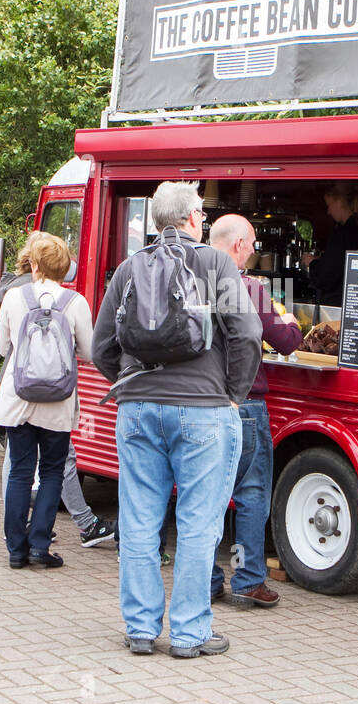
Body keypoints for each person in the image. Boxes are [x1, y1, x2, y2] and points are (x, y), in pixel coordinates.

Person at [92, 180, 262, 658]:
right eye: (201, 216)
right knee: (198, 524)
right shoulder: (213, 262)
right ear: (191, 220)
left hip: (138, 412)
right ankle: (189, 634)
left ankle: (141, 630)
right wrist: (233, 394)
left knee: (141, 520)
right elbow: (247, 333)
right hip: (204, 412)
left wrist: (131, 382)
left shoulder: (128, 269)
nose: (203, 222)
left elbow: (101, 347)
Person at [207, 214, 303, 607]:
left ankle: (208, 578)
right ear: (238, 245)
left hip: (201, 401)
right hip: (244, 402)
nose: (253, 250)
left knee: (207, 494)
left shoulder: (190, 282)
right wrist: (291, 321)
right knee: (251, 494)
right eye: (251, 244)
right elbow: (283, 341)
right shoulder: (249, 288)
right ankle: (247, 581)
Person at [0, 250, 114, 547]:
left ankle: (15, 548)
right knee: (51, 471)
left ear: (34, 264)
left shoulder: (13, 297)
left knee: (20, 472)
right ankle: (39, 546)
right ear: (67, 269)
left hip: (18, 399)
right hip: (58, 403)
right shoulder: (75, 302)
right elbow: (89, 352)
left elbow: (3, 346)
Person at [301, 181, 358, 307]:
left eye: (329, 205)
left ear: (339, 202)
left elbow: (327, 275)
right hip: (357, 301)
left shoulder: (342, 234)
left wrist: (311, 262)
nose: (328, 212)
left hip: (336, 303)